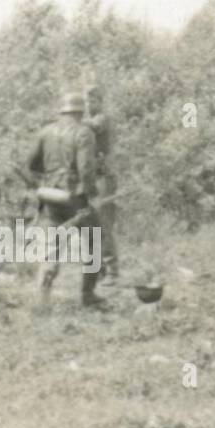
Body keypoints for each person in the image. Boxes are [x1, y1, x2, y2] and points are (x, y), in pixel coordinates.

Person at [25, 92, 105, 307]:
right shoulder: (84, 133)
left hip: (50, 195)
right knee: (94, 240)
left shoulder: (45, 132)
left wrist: (50, 176)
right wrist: (89, 193)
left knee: (52, 245)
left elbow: (32, 164)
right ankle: (88, 295)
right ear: (81, 112)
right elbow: (86, 168)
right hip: (74, 197)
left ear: (61, 110)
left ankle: (43, 299)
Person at [83, 84, 120, 284]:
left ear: (100, 102)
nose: (90, 104)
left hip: (105, 177)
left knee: (104, 223)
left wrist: (71, 120)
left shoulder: (103, 118)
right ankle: (99, 269)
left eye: (93, 101)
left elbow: (95, 125)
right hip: (92, 177)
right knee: (90, 223)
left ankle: (113, 271)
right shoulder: (87, 123)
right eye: (87, 101)